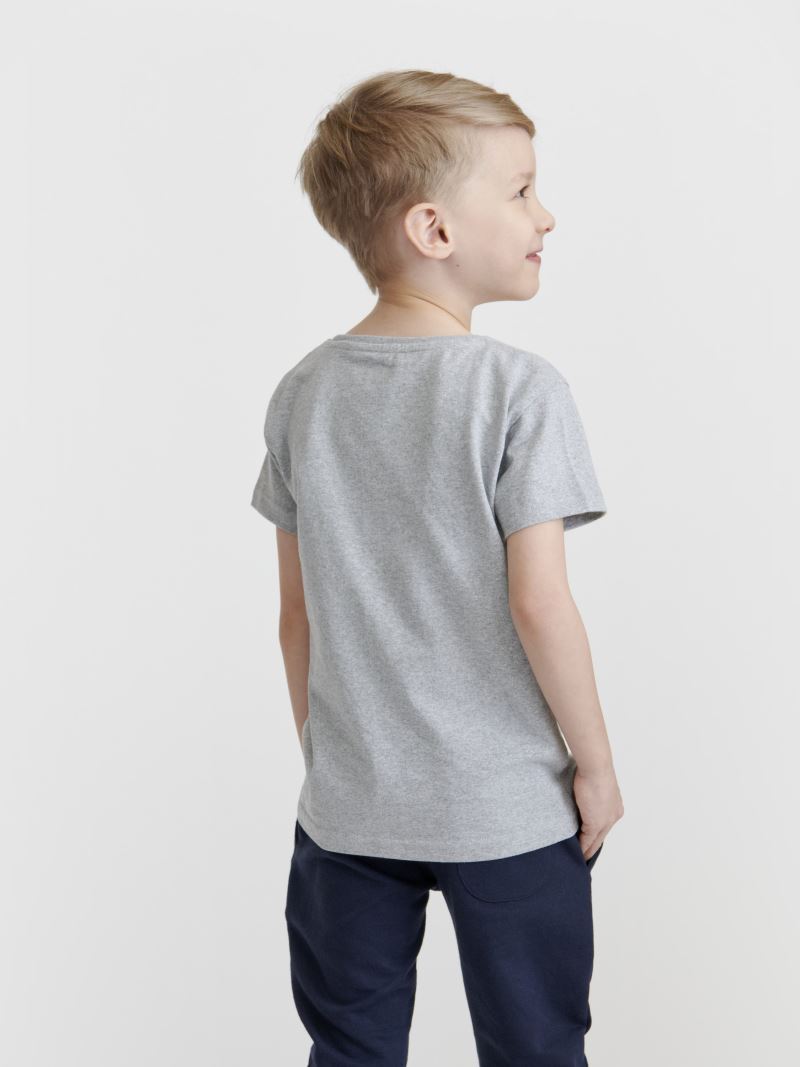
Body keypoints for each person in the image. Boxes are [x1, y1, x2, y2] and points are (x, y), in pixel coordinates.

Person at [250, 68, 624, 1067]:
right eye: (521, 190)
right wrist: (593, 764)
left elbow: (295, 617)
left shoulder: (302, 394)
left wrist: (336, 759)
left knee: (351, 1048)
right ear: (433, 229)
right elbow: (539, 602)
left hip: (351, 808)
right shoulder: (517, 391)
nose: (545, 214)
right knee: (536, 1046)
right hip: (506, 807)